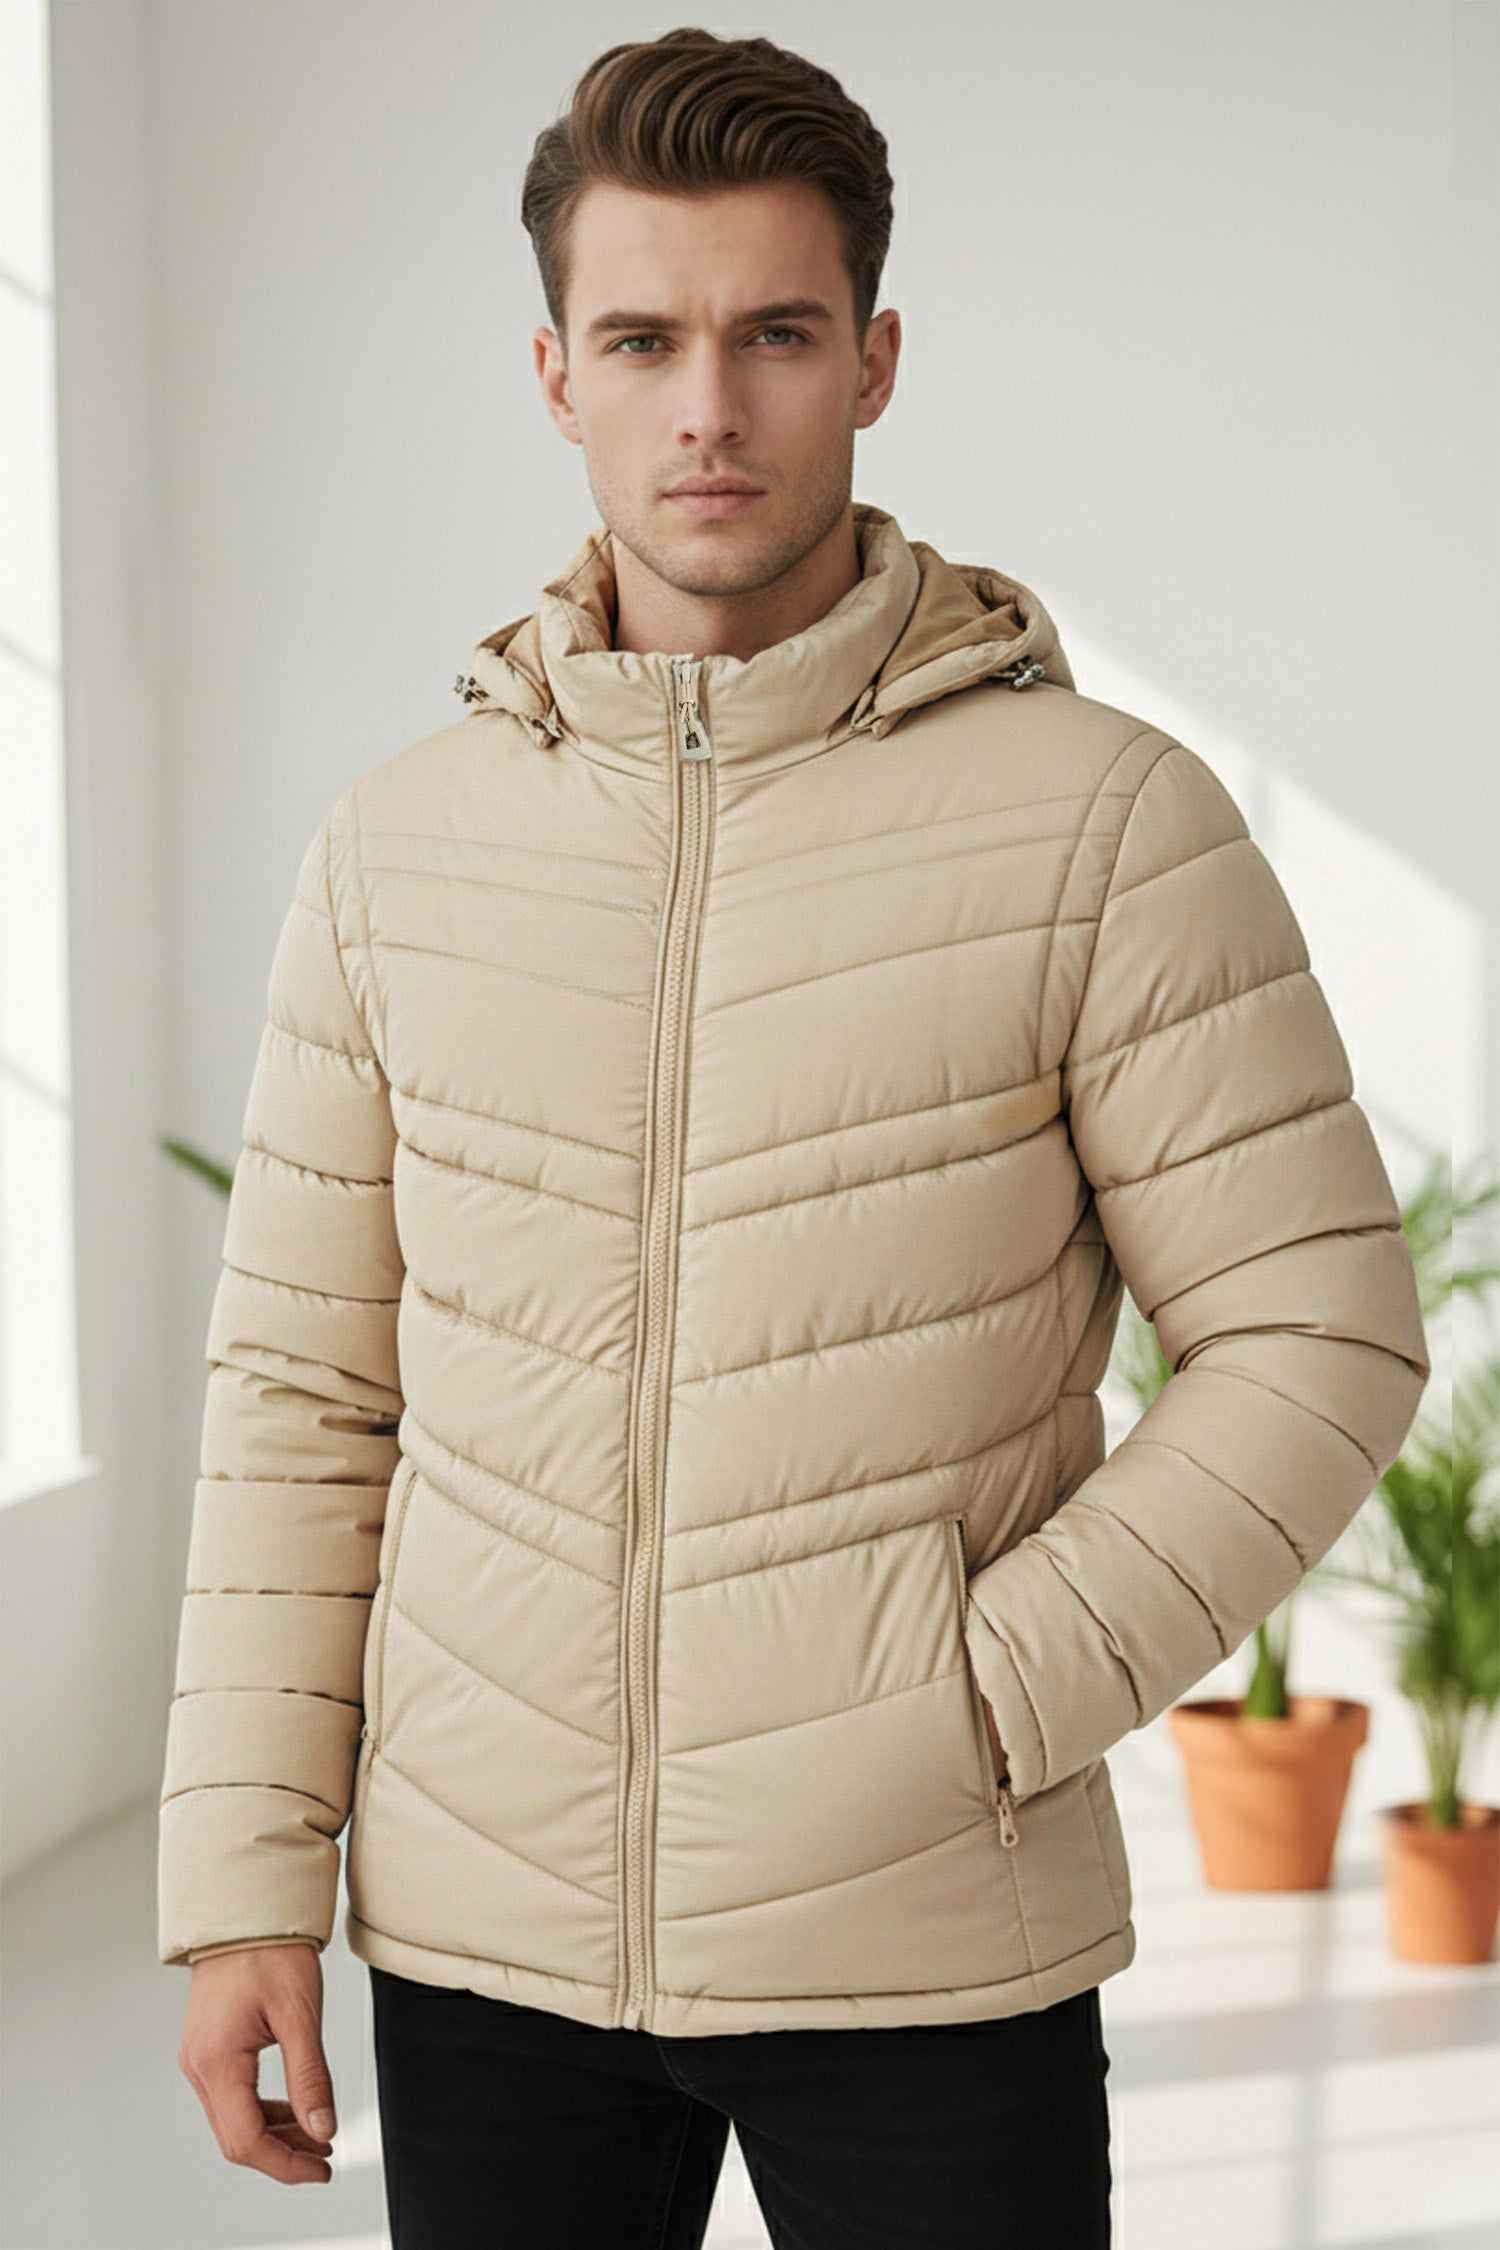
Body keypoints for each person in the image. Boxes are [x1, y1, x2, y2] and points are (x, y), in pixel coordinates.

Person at [160, 27, 1430, 2249]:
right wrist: (244, 1882)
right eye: (642, 341)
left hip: (930, 1933)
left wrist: (979, 1702)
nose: (709, 412)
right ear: (555, 375)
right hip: (484, 1943)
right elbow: (303, 1393)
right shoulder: (396, 855)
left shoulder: (1104, 827)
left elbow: (1319, 1335)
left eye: (774, 335)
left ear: (875, 359)